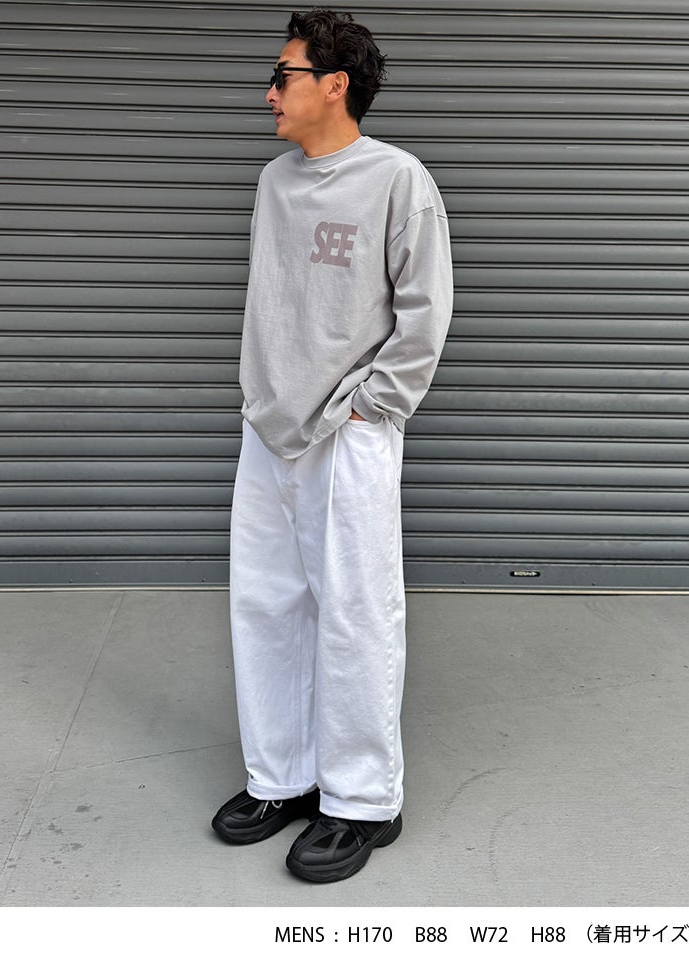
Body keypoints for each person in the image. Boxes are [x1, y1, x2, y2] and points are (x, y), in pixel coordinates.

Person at [211, 7, 453, 884]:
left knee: (355, 612)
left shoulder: (397, 179)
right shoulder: (275, 182)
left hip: (347, 433)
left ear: (334, 84)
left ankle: (361, 800)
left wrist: (373, 410)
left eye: (283, 75)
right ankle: (282, 776)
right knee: (267, 606)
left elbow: (425, 310)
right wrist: (260, 396)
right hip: (269, 428)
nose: (270, 92)